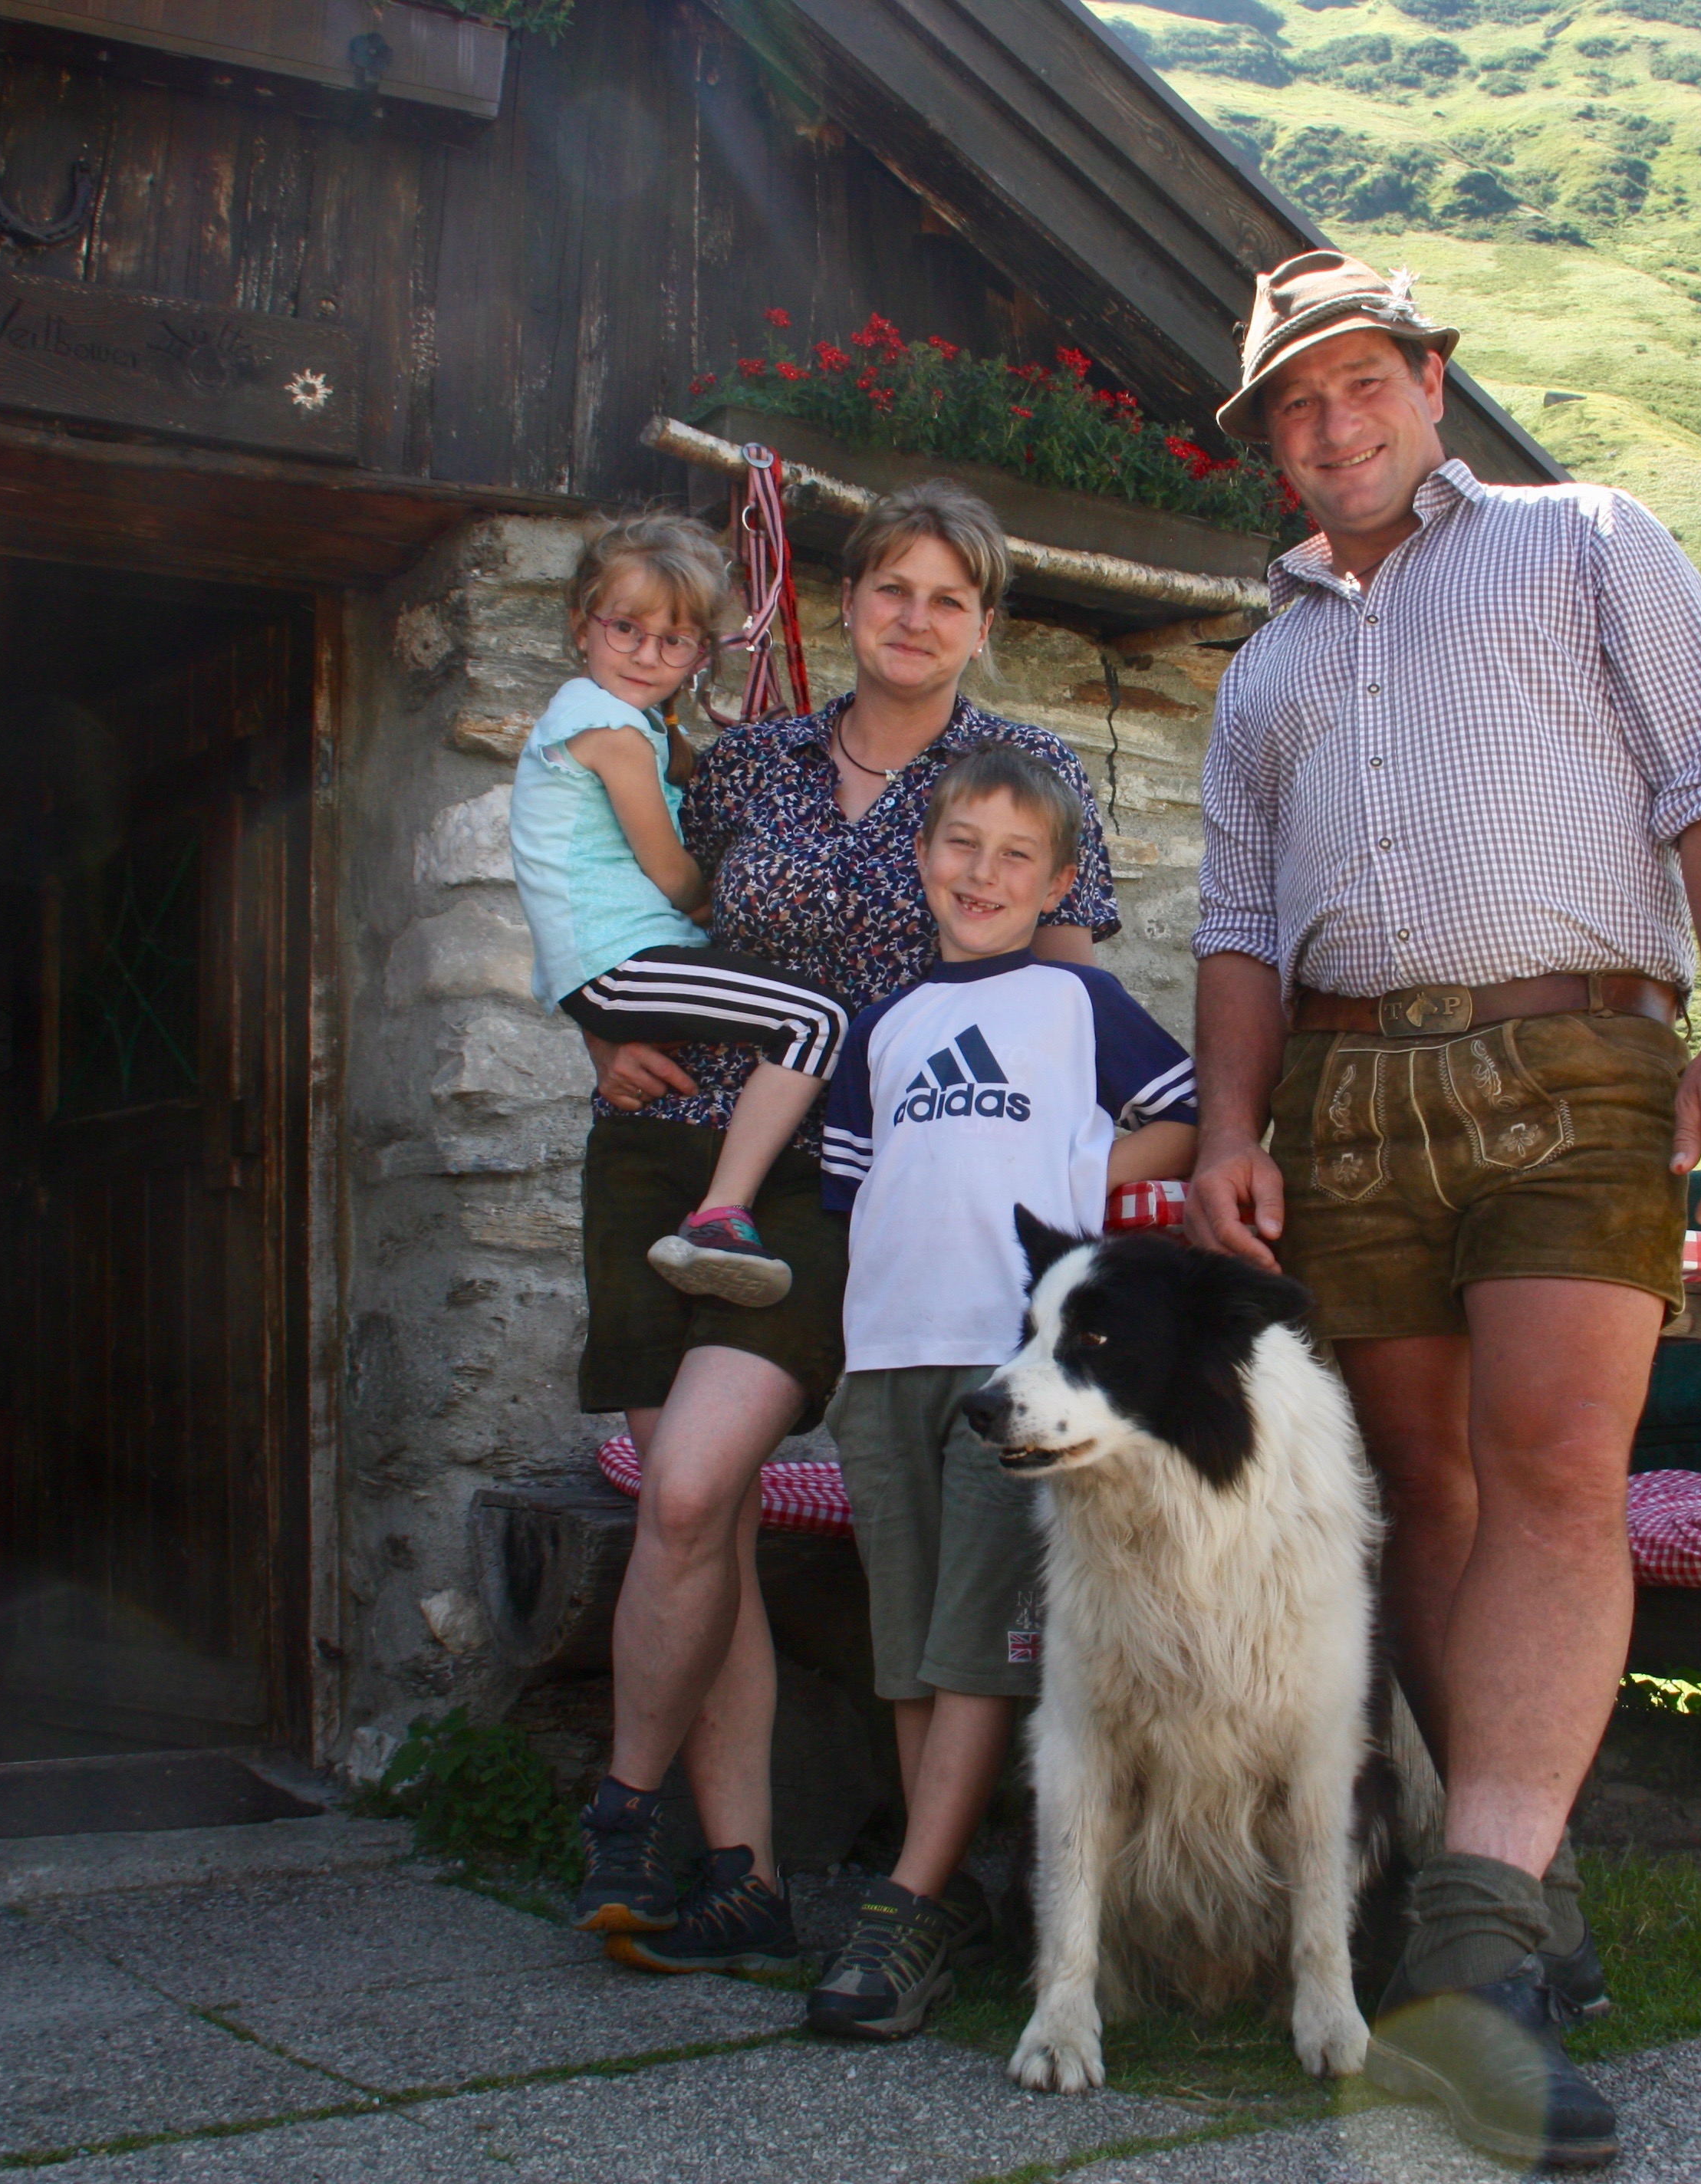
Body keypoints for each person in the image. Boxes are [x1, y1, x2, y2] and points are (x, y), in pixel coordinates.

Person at [1186, 250, 1701, 2169]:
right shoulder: (1263, 663)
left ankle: (1467, 1969)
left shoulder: (1586, 541)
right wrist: (1226, 1119)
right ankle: (1513, 1883)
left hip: (1576, 1061)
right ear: (1271, 449)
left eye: (1361, 380)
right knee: (1430, 1493)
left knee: (1549, 1470)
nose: (1332, 422)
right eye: (1295, 405)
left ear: (1431, 382)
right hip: (1348, 1088)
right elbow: (1229, 926)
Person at [568, 481, 1125, 1982]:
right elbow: (626, 913)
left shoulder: (1024, 773)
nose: (915, 617)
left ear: (984, 626)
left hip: (834, 1188)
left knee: (692, 1482)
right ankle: (738, 1869)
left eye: (950, 597)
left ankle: (637, 1814)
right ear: (846, 602)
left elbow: (1066, 1017)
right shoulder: (746, 763)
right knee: (707, 1517)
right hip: (659, 1155)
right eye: (891, 587)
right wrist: (591, 1030)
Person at [803, 745, 1197, 2040]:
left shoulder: (1074, 1000)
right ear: (924, 858)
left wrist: (1083, 1187)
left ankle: (906, 1901)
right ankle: (945, 1891)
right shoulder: (883, 1021)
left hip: (1005, 1363)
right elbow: (855, 1191)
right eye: (960, 844)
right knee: (912, 1649)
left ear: (1061, 880)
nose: (982, 873)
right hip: (881, 1362)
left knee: (977, 1645)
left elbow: (1183, 1110)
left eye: (1015, 855)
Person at [512, 515, 852, 1309]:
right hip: (622, 965)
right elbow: (669, 870)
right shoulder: (610, 734)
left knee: (788, 1017)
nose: (646, 655)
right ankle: (722, 1214)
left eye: (675, 642)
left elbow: (682, 763)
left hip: (604, 967)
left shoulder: (612, 722)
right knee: (818, 1022)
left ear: (702, 655)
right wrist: (713, 905)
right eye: (625, 629)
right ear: (580, 624)